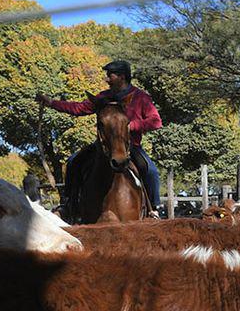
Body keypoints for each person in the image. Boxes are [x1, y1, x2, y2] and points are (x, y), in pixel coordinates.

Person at [36, 60, 162, 216]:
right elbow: (79, 108)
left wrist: (131, 126)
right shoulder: (103, 98)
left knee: (151, 171)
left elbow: (156, 122)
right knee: (72, 162)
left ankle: (153, 209)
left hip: (130, 146)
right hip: (102, 147)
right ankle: (68, 204)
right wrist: (51, 103)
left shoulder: (141, 97)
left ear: (122, 77)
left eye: (110, 76)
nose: (106, 79)